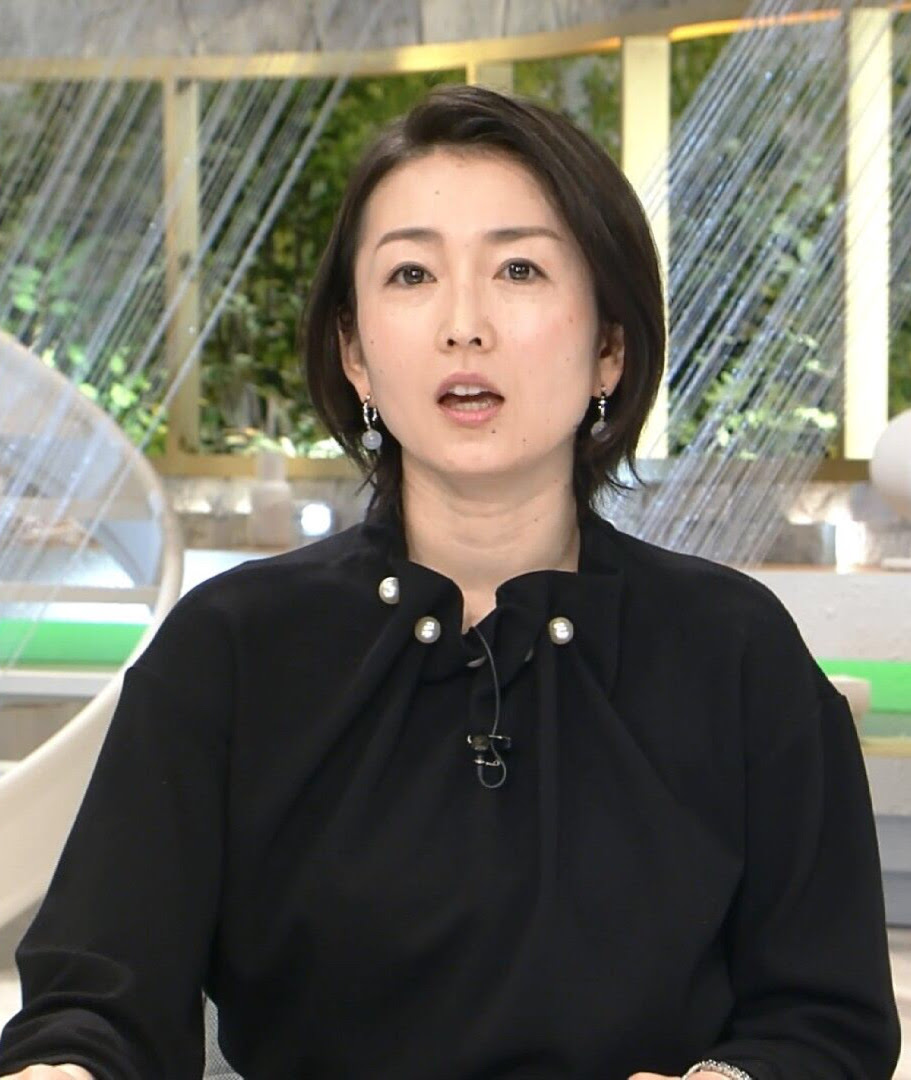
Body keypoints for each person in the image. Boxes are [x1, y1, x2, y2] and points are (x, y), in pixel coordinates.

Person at [0, 83, 901, 1080]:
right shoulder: (230, 648)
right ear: (354, 353)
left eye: (518, 269)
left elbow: (826, 1023)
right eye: (411, 274)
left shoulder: (735, 650)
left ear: (608, 346)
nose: (463, 325)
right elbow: (95, 1004)